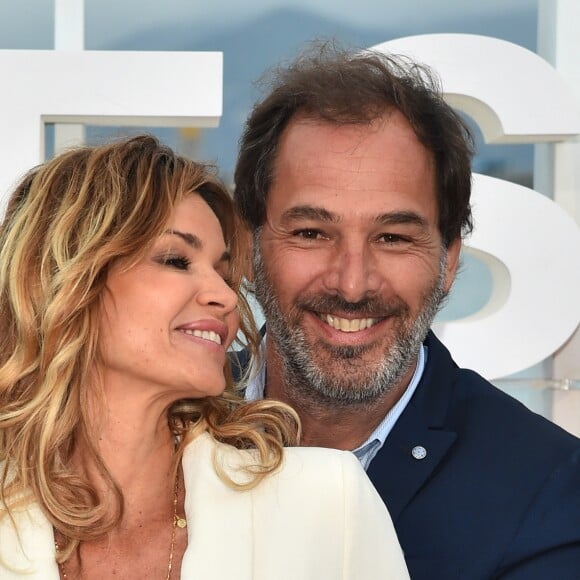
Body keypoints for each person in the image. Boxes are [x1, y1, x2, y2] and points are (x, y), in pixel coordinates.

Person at [232, 44, 580, 579]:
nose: (352, 284)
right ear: (246, 248)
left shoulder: (548, 491)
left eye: (393, 237)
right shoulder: (159, 424)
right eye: (311, 233)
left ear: (447, 263)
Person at [0, 135, 410, 579]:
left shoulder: (327, 502)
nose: (223, 296)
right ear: (68, 279)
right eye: (177, 260)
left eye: (224, 272)